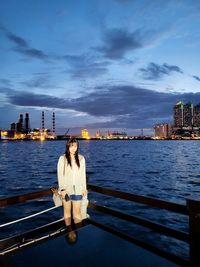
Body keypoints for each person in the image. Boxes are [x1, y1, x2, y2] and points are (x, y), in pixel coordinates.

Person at [57, 138, 87, 229]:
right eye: (71, 146)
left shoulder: (81, 158)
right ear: (67, 147)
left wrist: (84, 188)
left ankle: (78, 230)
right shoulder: (63, 158)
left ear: (77, 147)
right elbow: (60, 174)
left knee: (77, 213)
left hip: (78, 189)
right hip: (66, 190)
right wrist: (62, 189)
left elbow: (83, 174)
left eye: (75, 146)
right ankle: (69, 231)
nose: (73, 148)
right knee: (67, 213)